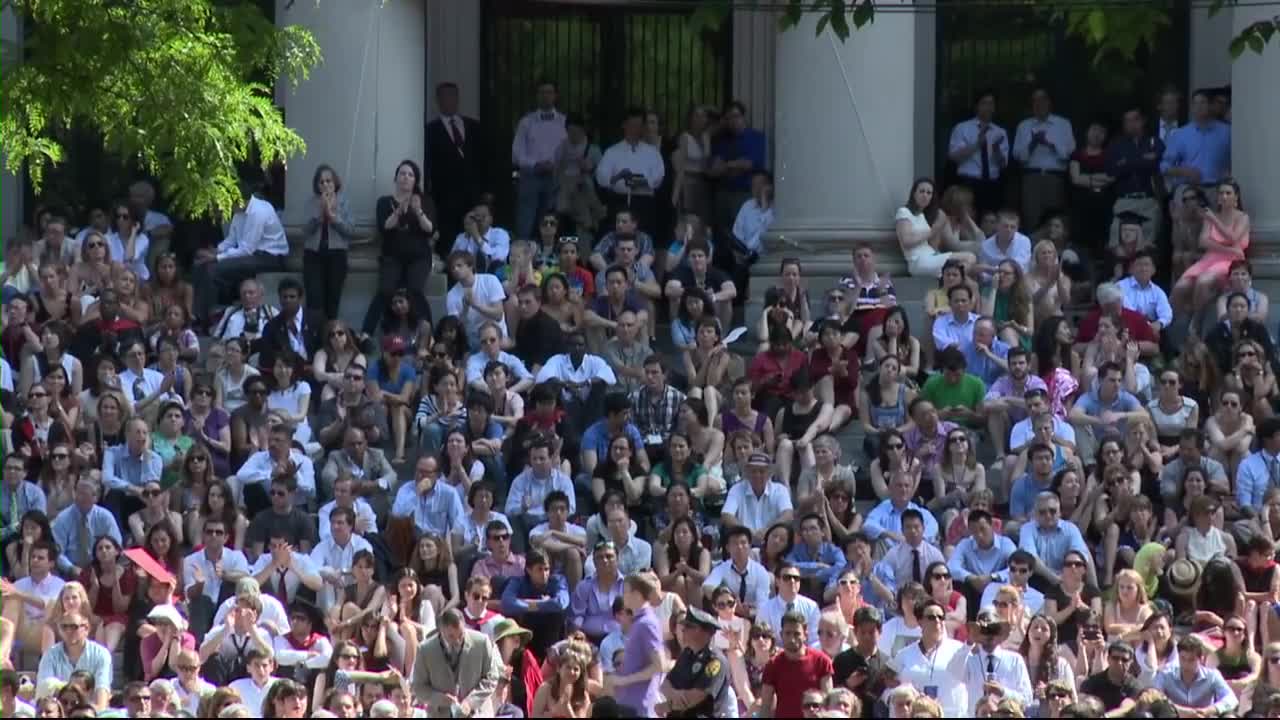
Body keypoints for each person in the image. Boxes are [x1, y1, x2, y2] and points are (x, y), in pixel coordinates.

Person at [192, 183, 288, 327]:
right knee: (200, 266)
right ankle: (196, 315)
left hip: (270, 257)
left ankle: (205, 319)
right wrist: (215, 251)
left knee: (213, 270)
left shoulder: (258, 211)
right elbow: (232, 240)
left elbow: (246, 249)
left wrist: (216, 258)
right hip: (252, 255)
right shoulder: (239, 212)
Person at [411, 608, 504, 717]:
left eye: (461, 635)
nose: (457, 641)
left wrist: (471, 701)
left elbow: (491, 677)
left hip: (477, 713)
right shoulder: (425, 650)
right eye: (451, 636)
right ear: (441, 630)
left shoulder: (482, 642)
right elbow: (418, 687)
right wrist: (438, 698)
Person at [660, 607, 734, 718]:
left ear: (703, 632)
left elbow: (697, 696)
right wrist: (673, 694)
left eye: (689, 626)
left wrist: (668, 706)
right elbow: (666, 683)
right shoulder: (687, 653)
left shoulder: (715, 661)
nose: (683, 629)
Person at [760, 611, 834, 718]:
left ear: (805, 635)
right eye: (788, 633)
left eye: (797, 634)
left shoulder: (822, 661)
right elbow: (765, 706)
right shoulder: (773, 665)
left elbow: (829, 703)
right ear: (781, 635)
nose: (792, 639)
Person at [36, 612, 112, 710]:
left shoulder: (101, 654)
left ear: (86, 629)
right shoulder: (50, 655)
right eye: (64, 627)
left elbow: (102, 689)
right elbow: (44, 687)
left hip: (89, 711)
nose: (68, 631)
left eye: (74, 627)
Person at [1152, 635, 1238, 716]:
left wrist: (1209, 710)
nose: (1186, 663)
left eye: (1191, 660)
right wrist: (1182, 711)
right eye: (1183, 658)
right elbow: (1155, 699)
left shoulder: (1212, 676)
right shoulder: (1166, 674)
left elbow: (1231, 699)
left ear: (1201, 659)